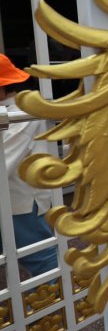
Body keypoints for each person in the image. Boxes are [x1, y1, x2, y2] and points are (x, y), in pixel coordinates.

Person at [0, 53, 59, 277]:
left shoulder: (21, 115)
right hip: (13, 199)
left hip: (21, 201)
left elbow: (3, 162)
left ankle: (57, 308)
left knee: (42, 259)